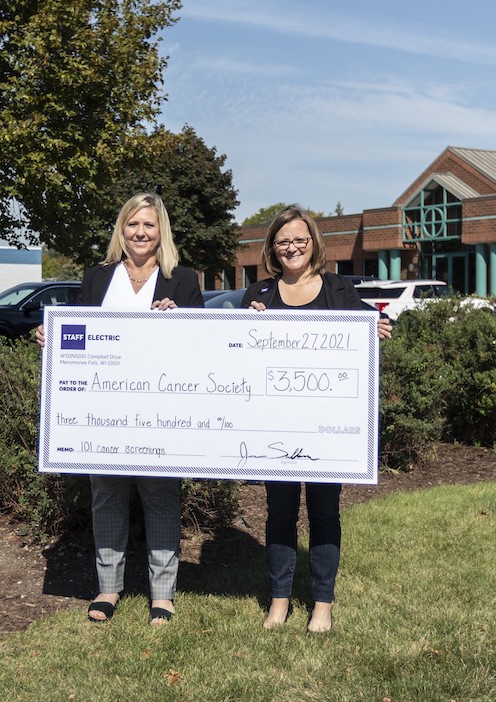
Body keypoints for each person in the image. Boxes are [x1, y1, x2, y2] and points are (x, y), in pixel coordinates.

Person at [36, 192, 204, 624]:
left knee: (161, 497)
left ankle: (162, 595)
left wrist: (180, 317)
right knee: (106, 495)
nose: (140, 233)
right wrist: (51, 337)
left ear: (160, 231)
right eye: (133, 224)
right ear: (122, 229)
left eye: (149, 225)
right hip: (103, 412)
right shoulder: (98, 277)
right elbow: (78, 331)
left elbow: (203, 344)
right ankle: (108, 588)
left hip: (160, 410)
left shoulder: (182, 279)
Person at [241, 205, 392, 633]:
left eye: (299, 240)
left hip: (327, 429)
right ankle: (279, 601)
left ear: (313, 244)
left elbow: (372, 322)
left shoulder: (338, 289)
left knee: (325, 513)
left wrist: (377, 325)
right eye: (283, 241)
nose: (292, 248)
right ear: (273, 248)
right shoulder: (259, 294)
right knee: (280, 513)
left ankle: (322, 603)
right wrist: (243, 327)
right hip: (275, 428)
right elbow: (235, 353)